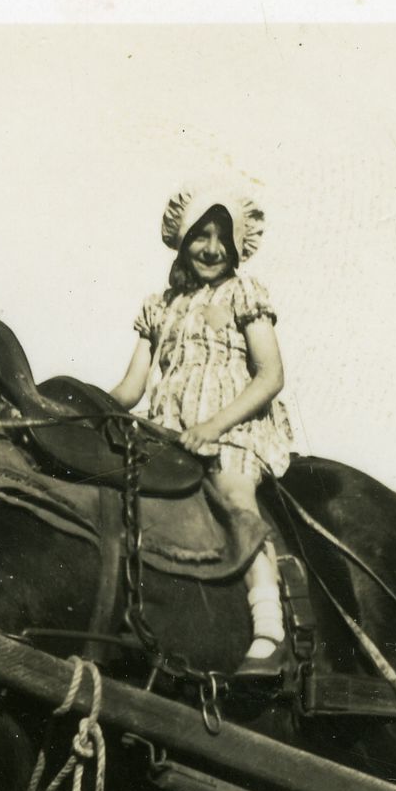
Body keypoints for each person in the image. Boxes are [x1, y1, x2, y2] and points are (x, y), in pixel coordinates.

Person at [109, 185, 295, 678]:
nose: (212, 248)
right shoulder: (159, 306)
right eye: (200, 235)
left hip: (231, 427)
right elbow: (131, 387)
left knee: (234, 494)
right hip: (166, 433)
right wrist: (85, 404)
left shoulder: (243, 294)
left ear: (237, 245)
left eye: (222, 238)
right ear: (182, 239)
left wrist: (213, 425)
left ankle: (269, 629)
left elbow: (270, 374)